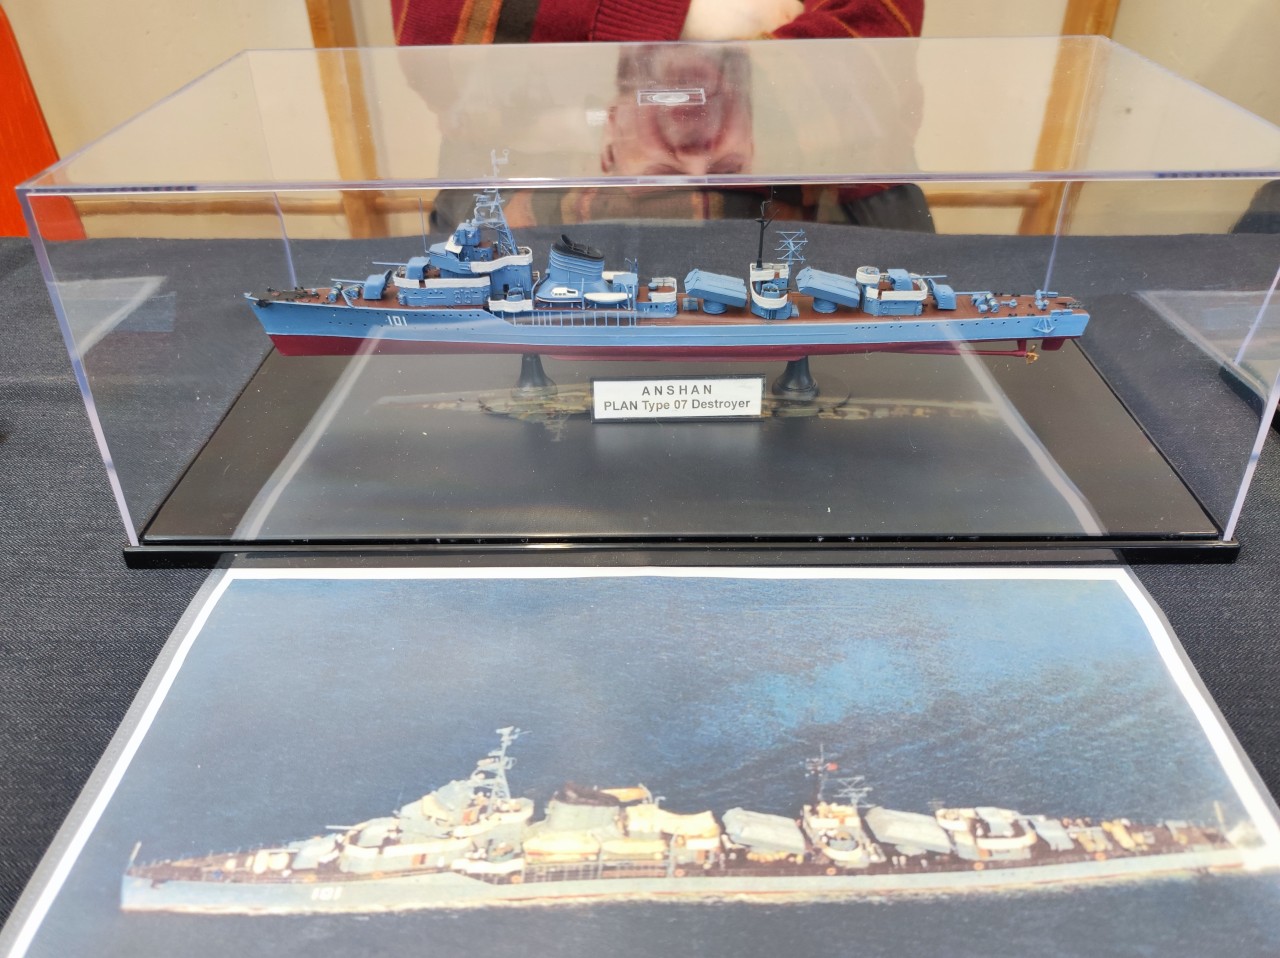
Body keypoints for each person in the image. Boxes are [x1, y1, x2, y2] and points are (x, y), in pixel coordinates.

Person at [394, 0, 933, 231]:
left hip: (839, 207)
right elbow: (436, 32)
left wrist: (555, 100)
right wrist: (698, 18)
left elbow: (874, 48)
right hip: (524, 208)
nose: (697, 164)